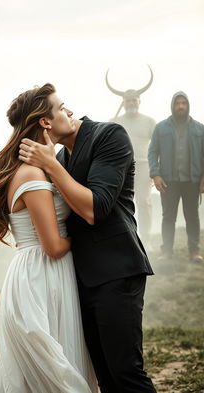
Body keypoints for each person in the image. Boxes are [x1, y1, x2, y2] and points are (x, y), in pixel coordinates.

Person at [18, 85, 156, 392]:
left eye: (65, 105)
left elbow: (95, 209)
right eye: (61, 107)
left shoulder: (110, 136)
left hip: (118, 272)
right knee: (104, 378)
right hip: (81, 279)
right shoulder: (61, 159)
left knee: (126, 374)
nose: (68, 110)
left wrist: (51, 165)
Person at [0, 84, 97, 393]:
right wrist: (89, 235)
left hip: (41, 274)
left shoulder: (40, 169)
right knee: (55, 373)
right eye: (60, 107)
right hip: (41, 278)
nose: (68, 112)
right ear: (45, 121)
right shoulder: (32, 174)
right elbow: (54, 246)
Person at [148, 91, 204, 262]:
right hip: (168, 181)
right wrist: (155, 175)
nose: (180, 106)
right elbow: (152, 152)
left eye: (183, 103)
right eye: (177, 103)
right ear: (172, 106)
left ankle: (194, 252)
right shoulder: (161, 127)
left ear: (188, 106)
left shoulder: (199, 129)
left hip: (192, 181)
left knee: (192, 217)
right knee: (168, 217)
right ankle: (167, 252)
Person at [106, 68, 156, 251]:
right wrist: (109, 124)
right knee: (120, 204)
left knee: (144, 202)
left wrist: (155, 170)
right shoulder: (115, 121)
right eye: (128, 100)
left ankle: (147, 239)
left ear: (139, 101)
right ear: (124, 102)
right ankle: (126, 237)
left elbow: (156, 148)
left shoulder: (149, 121)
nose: (131, 103)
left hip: (143, 167)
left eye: (134, 99)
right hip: (121, 168)